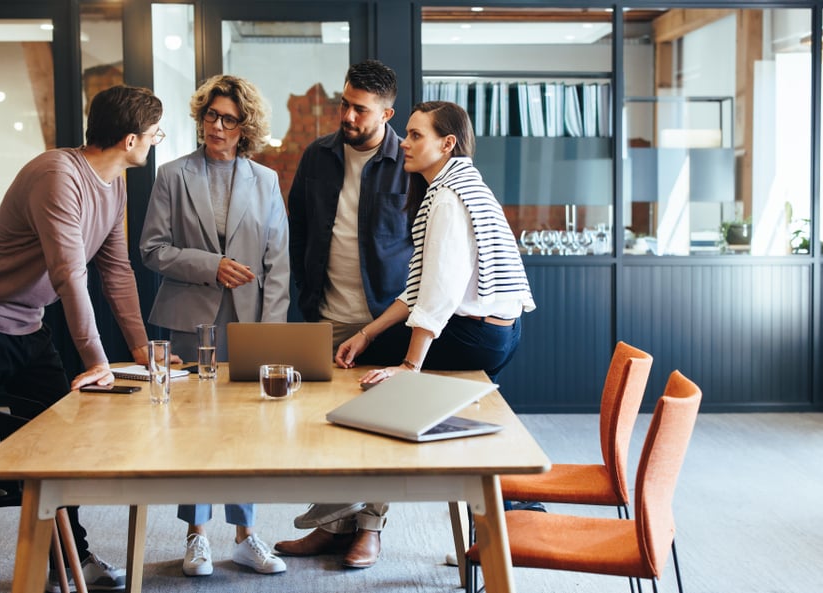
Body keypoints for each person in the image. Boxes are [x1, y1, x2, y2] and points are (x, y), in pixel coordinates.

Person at [0, 84, 165, 592]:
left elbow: (116, 270)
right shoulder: (57, 173)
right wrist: (97, 361)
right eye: (156, 133)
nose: (158, 141)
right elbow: (70, 273)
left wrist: (139, 351)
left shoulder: (115, 184)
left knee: (58, 450)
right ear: (132, 139)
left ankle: (70, 560)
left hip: (28, 326)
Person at [140, 74, 289, 578]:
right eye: (210, 116)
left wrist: (271, 334)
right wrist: (211, 265)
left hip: (248, 324)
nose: (217, 126)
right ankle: (197, 538)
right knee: (193, 432)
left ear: (245, 126)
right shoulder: (172, 175)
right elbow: (152, 249)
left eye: (229, 119)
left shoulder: (266, 181)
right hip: (187, 321)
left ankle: (246, 536)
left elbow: (278, 266)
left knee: (247, 429)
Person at [273, 59, 413, 569]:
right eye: (345, 104)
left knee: (381, 427)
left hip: (386, 317)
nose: (348, 116)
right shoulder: (317, 156)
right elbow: (300, 229)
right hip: (326, 313)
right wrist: (302, 297)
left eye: (361, 109)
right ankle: (332, 526)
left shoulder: (409, 161)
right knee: (325, 425)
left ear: (387, 113)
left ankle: (369, 530)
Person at [335, 100, 535, 389]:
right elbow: (419, 288)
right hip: (504, 334)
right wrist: (366, 333)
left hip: (475, 337)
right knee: (372, 342)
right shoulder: (468, 184)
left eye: (416, 135)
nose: (404, 143)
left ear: (447, 144)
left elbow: (439, 290)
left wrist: (409, 365)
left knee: (368, 361)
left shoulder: (447, 198)